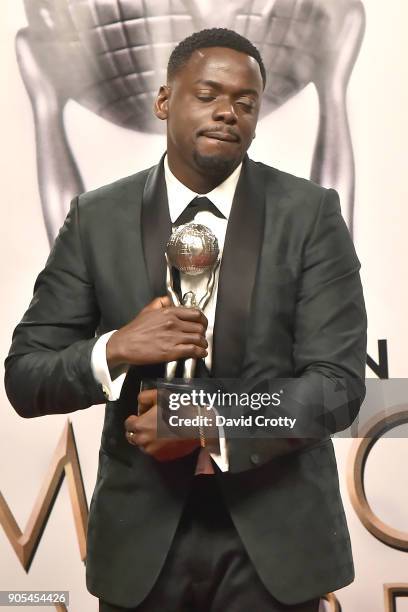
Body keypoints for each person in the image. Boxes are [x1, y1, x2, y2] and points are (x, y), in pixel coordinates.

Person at [5, 28, 367, 612]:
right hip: (142, 545)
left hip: (276, 543)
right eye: (208, 94)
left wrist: (200, 421)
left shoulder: (310, 215)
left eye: (245, 103)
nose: (228, 111)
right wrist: (116, 348)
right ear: (164, 100)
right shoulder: (97, 218)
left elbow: (337, 390)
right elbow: (26, 377)